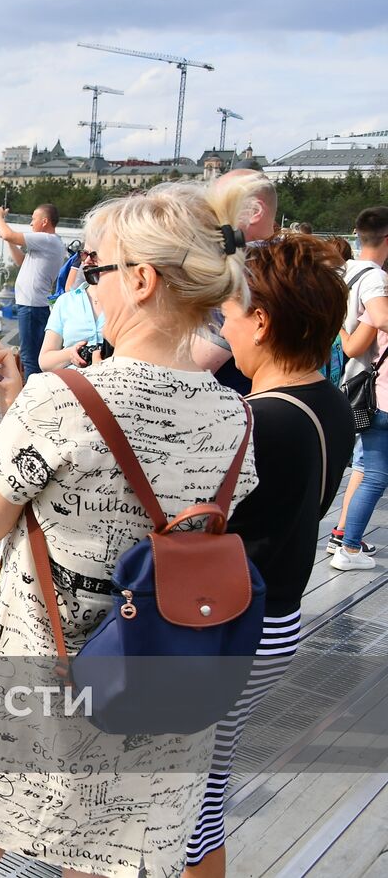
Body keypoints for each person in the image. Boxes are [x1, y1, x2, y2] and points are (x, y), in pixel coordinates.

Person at [0, 179, 261, 878]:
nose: (85, 280)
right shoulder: (236, 417)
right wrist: (20, 398)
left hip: (42, 683)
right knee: (101, 864)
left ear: (140, 280)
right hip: (165, 684)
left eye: (94, 267)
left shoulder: (65, 398)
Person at [182, 234, 353, 876]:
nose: (226, 332)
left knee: (188, 803)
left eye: (228, 316)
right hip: (275, 618)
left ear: (263, 319)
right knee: (206, 791)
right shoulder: (328, 403)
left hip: (228, 631)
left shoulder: (254, 421)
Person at [328, 206, 388, 569]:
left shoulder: (346, 271)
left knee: (364, 464)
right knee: (370, 468)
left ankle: (343, 535)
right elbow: (375, 323)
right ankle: (347, 543)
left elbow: (350, 344)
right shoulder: (376, 280)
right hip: (368, 384)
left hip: (347, 382)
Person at [190, 169, 279, 395]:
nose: (210, 217)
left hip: (233, 411)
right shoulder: (290, 265)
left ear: (254, 211)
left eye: (219, 207)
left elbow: (191, 369)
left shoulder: (243, 274)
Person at [0, 203, 67, 378]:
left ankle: (33, 397)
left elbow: (8, 233)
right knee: (31, 356)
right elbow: (21, 261)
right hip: (32, 306)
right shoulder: (46, 244)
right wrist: (8, 241)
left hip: (33, 307)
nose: (31, 223)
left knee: (30, 358)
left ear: (45, 221)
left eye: (34, 219)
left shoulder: (47, 240)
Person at [38, 247, 105, 371]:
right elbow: (45, 361)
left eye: (94, 255)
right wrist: (71, 353)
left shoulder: (129, 302)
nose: (88, 260)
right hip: (72, 384)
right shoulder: (65, 301)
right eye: (84, 255)